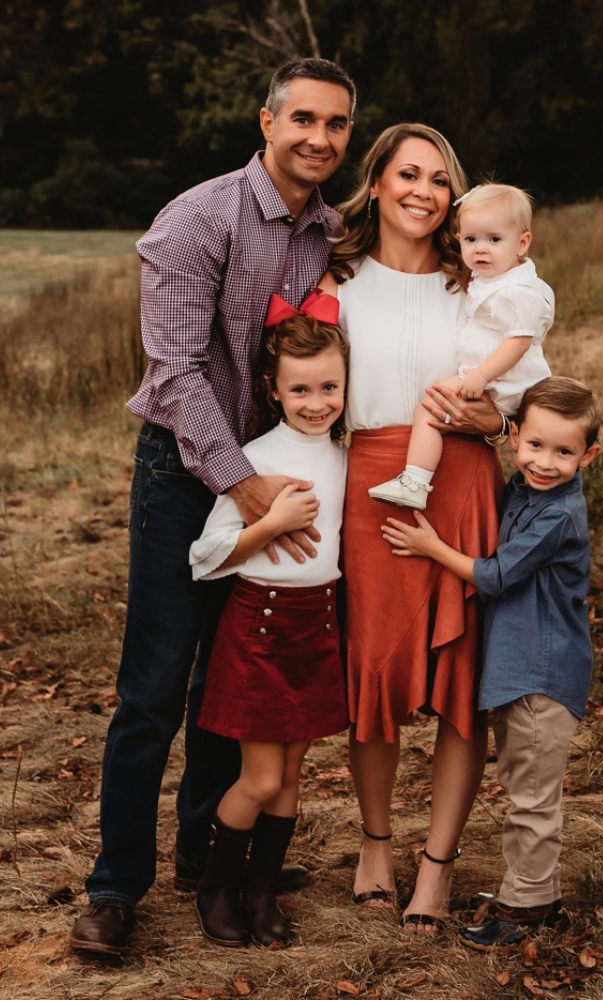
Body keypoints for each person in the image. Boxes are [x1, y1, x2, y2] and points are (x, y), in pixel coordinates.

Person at [69, 57, 356, 956]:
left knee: (225, 689)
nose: (319, 138)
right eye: (302, 119)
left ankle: (209, 853)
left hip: (275, 466)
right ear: (264, 122)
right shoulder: (196, 220)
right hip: (185, 473)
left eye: (336, 124)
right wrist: (245, 487)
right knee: (153, 688)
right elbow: (177, 371)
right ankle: (115, 889)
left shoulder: (330, 232)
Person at [319, 123, 506, 934]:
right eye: (408, 175)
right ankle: (375, 846)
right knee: (377, 669)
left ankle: (437, 867)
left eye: (439, 179)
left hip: (463, 482)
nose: (424, 192)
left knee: (462, 682)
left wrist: (493, 419)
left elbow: (521, 404)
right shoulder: (335, 277)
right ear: (378, 182)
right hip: (369, 485)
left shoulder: (481, 285)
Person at [381, 375, 602, 948]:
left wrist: (433, 549)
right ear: (513, 438)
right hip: (521, 668)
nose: (546, 463)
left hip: (542, 672)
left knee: (531, 798)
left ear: (589, 455)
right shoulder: (527, 491)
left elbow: (499, 575)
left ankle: (527, 910)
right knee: (524, 785)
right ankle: (534, 891)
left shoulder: (556, 516)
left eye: (563, 452)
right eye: (535, 445)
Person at [188, 304, 349, 949]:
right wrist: (270, 526)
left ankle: (261, 892)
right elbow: (205, 560)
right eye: (300, 389)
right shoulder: (254, 462)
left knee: (290, 776)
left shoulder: (348, 453)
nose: (316, 403)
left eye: (329, 387)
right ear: (273, 388)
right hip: (261, 624)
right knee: (258, 778)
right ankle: (215, 887)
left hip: (319, 624)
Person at [369, 183, 553, 511]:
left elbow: (520, 342)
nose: (480, 250)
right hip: (489, 379)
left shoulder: (518, 291)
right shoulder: (491, 280)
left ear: (522, 243)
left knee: (430, 406)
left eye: (494, 240)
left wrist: (481, 376)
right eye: (470, 240)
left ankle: (415, 480)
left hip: (500, 379)